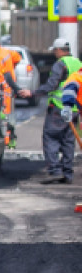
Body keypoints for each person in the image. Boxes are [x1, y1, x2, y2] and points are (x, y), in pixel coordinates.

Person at [35, 38, 82, 183]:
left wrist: (32, 93)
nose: (54, 53)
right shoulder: (78, 63)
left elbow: (51, 86)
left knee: (50, 137)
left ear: (59, 50)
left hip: (59, 107)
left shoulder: (60, 64)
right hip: (74, 108)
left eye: (54, 50)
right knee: (68, 140)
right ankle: (67, 173)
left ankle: (55, 170)